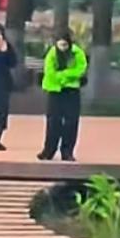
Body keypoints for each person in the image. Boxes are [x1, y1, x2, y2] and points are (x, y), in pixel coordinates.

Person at [37, 31, 88, 163]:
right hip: (55, 91)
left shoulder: (78, 53)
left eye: (65, 45)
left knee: (71, 121)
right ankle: (48, 150)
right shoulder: (52, 53)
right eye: (60, 44)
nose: (62, 47)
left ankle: (67, 152)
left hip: (71, 91)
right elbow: (49, 71)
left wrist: (63, 76)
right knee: (53, 121)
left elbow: (80, 69)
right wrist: (63, 78)